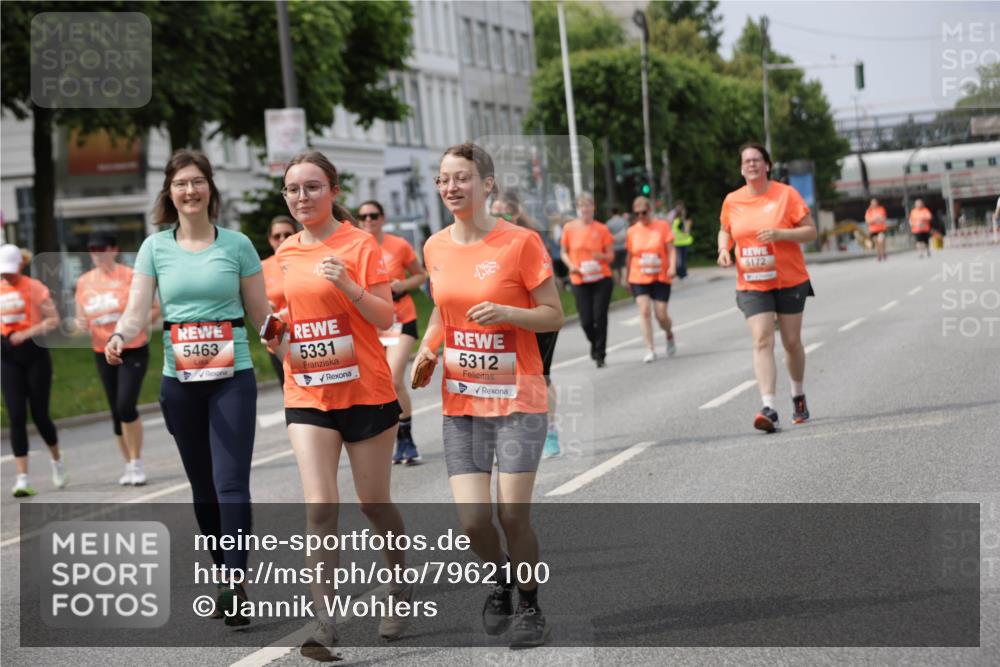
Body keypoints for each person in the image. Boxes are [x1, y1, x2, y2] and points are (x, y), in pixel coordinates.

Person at [106, 149, 275, 625]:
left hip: (232, 379)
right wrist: (121, 334)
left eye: (198, 182)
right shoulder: (154, 248)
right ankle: (224, 571)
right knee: (202, 488)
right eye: (181, 183)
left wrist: (288, 345)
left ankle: (236, 583)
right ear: (170, 193)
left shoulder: (237, 245)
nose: (190, 190)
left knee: (230, 484)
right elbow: (138, 310)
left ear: (210, 189)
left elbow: (260, 315)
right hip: (179, 382)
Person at [412, 142, 564, 648]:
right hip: (463, 405)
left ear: (487, 185)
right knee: (473, 521)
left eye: (462, 178)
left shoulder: (519, 243)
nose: (451, 187)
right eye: (444, 179)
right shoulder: (434, 247)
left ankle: (529, 604)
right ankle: (500, 580)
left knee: (512, 515)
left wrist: (508, 314)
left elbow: (552, 313)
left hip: (519, 399)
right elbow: (441, 310)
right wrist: (428, 350)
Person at [270, 151, 413, 660]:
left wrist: (348, 284)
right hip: (308, 392)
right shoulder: (284, 254)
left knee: (372, 503)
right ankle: (324, 622)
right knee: (320, 507)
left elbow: (382, 317)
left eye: (312, 187)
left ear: (332, 189)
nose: (302, 197)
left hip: (366, 391)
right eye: (293, 190)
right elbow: (278, 316)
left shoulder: (359, 244)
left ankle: (397, 584)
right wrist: (276, 337)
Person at [718, 141, 818, 433]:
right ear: (741, 168)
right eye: (746, 161)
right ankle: (769, 407)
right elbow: (725, 229)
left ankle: (798, 395)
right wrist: (724, 249)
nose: (752, 164)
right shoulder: (732, 200)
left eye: (757, 160)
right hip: (751, 282)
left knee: (790, 342)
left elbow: (810, 231)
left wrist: (780, 233)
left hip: (789, 279)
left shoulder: (786, 195)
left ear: (767, 165)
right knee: (762, 338)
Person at [74, 232, 160, 485]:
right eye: (92, 249)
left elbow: (153, 309)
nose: (97, 254)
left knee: (125, 405)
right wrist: (81, 324)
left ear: (114, 249)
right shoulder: (84, 282)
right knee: (115, 410)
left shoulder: (130, 276)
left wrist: (131, 327)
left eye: (102, 248)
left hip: (132, 348)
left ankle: (137, 462)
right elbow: (81, 318)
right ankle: (128, 465)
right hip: (102, 351)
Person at [357, 199, 428, 465]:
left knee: (393, 378)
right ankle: (388, 437)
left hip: (401, 317)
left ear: (382, 218)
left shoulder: (398, 245)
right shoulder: (356, 247)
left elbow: (421, 275)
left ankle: (406, 439)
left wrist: (402, 284)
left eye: (373, 215)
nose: (368, 220)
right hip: (370, 324)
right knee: (376, 383)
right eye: (363, 216)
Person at [499, 189, 562, 458]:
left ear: (512, 212)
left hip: (538, 315)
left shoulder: (528, 237)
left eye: (500, 211)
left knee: (540, 376)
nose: (495, 216)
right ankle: (514, 433)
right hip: (509, 320)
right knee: (508, 377)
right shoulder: (492, 241)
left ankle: (550, 431)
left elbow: (544, 278)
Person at [1, 243, 65, 497]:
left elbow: (53, 320)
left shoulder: (34, 287)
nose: (6, 275)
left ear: (21, 264)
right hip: (7, 356)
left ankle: (57, 460)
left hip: (35, 354)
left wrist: (27, 333)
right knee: (16, 415)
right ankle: (22, 478)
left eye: (10, 270)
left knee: (39, 415)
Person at [561, 191, 615, 368]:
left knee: (600, 316)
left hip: (601, 278)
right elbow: (563, 252)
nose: (585, 209)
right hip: (580, 278)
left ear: (594, 207)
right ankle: (594, 342)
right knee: (586, 320)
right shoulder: (569, 228)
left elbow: (611, 256)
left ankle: (600, 353)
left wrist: (602, 256)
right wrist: (571, 266)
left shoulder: (602, 229)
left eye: (588, 205)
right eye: (582, 206)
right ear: (577, 208)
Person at [626, 196, 677, 363]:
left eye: (644, 212)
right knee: (644, 311)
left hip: (660, 275)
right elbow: (630, 255)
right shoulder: (632, 231)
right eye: (637, 213)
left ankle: (669, 334)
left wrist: (672, 266)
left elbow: (671, 249)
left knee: (661, 314)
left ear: (650, 211)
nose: (641, 216)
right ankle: (650, 348)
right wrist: (626, 277)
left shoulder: (661, 226)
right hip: (639, 276)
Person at [260, 215, 298, 389]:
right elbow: (252, 304)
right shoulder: (261, 267)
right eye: (277, 236)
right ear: (270, 240)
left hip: (307, 333)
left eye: (287, 234)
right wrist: (264, 304)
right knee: (290, 390)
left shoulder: (306, 261)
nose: (282, 239)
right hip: (277, 336)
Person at [605, 206, 630, 286]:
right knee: (624, 265)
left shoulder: (608, 223)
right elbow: (628, 232)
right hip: (624, 246)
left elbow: (606, 235)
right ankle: (624, 281)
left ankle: (618, 283)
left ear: (611, 213)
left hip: (613, 248)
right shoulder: (624, 221)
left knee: (615, 267)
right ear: (618, 212)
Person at [670, 201, 694, 279]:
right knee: (681, 260)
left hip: (679, 242)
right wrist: (687, 223)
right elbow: (685, 231)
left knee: (681, 259)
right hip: (680, 242)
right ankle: (681, 273)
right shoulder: (680, 221)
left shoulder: (675, 221)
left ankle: (681, 273)